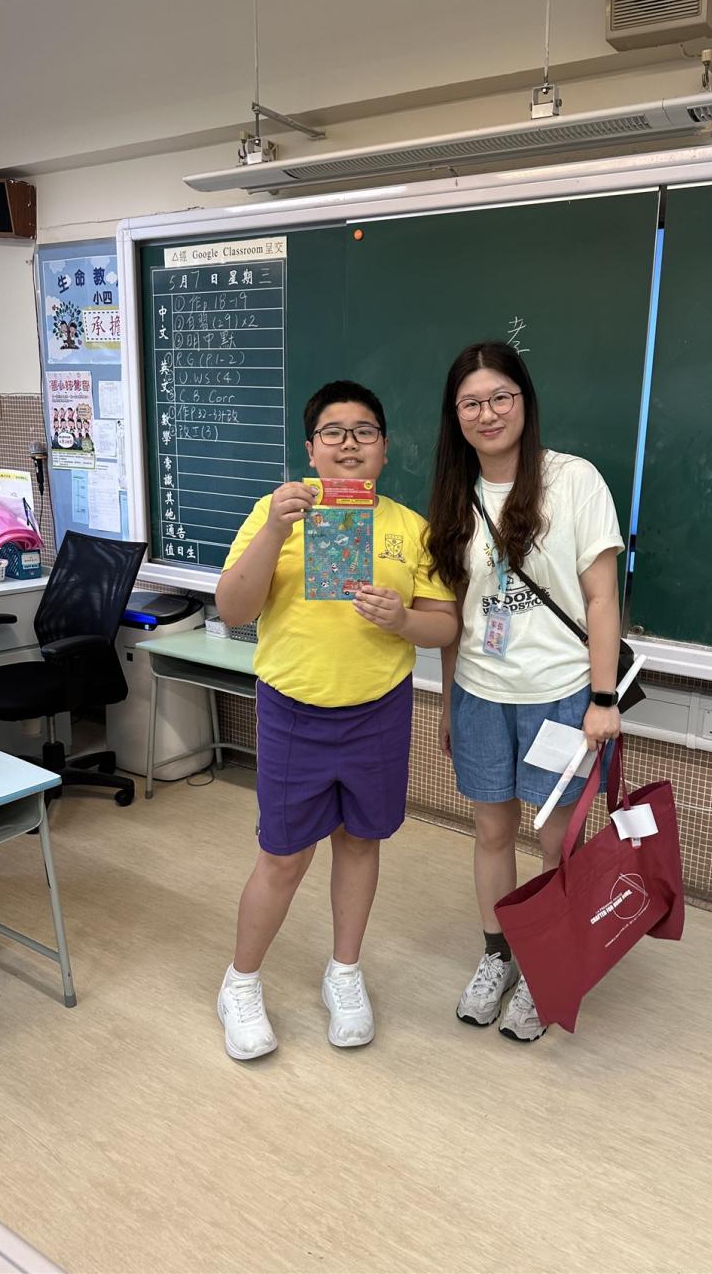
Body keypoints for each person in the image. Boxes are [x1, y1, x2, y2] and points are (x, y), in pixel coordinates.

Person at [215, 380, 457, 1060]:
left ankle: (344, 972)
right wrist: (275, 528)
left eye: (364, 432)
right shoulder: (276, 512)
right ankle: (240, 981)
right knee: (283, 855)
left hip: (378, 710)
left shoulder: (411, 529)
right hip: (293, 710)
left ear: (385, 448)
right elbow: (232, 610)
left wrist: (402, 620)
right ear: (311, 448)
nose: (349, 445)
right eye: (333, 433)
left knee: (359, 842)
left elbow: (444, 626)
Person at [427, 341, 625, 1043]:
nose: (487, 414)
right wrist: (447, 701)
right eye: (471, 403)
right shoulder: (454, 495)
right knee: (491, 832)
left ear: (524, 401)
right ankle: (498, 956)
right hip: (480, 694)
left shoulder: (573, 480)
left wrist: (603, 699)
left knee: (555, 837)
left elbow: (602, 599)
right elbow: (454, 614)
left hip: (562, 694)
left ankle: (549, 962)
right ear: (455, 415)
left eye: (500, 397)